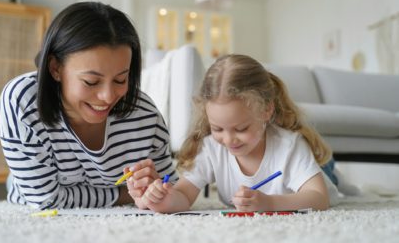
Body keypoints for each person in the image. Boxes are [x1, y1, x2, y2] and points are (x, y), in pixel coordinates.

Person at [0, 1, 176, 210]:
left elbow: (170, 185)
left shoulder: (146, 116)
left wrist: (156, 190)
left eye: (120, 80)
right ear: (55, 68)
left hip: (82, 182)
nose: (107, 97)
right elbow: (45, 200)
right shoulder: (22, 101)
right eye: (91, 82)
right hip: (32, 183)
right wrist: (126, 194)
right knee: (20, 182)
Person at [141, 54, 339, 213]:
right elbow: (183, 196)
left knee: (330, 173)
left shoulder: (289, 145)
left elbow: (319, 198)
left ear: (266, 111)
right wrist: (162, 199)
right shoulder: (211, 147)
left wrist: (269, 203)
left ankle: (332, 171)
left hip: (318, 176)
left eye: (241, 129)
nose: (228, 140)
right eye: (217, 129)